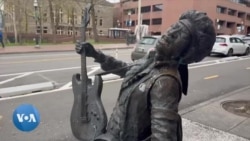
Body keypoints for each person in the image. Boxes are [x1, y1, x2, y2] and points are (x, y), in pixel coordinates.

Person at [75, 10, 215, 141]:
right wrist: (95, 54)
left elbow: (163, 137)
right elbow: (126, 69)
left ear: (186, 52)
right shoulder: (152, 59)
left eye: (180, 35)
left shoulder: (166, 82)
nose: (170, 33)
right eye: (174, 27)